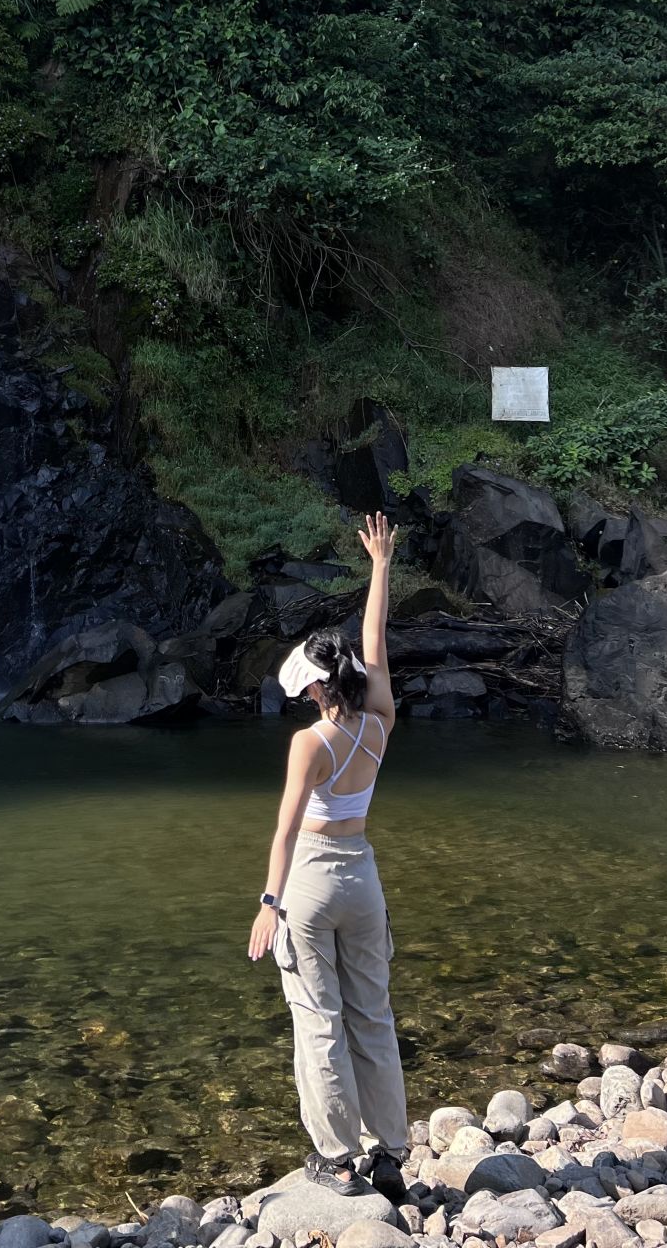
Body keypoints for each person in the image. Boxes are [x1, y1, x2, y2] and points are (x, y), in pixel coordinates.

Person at [248, 511, 406, 1201]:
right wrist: (379, 566)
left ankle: (338, 1160)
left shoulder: (308, 745)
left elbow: (284, 833)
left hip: (311, 881)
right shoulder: (379, 721)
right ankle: (392, 1153)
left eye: (304, 688)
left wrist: (267, 904)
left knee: (319, 1018)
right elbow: (375, 642)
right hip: (362, 874)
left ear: (314, 688)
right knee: (372, 1011)